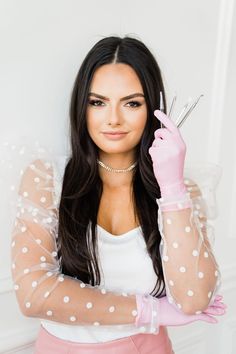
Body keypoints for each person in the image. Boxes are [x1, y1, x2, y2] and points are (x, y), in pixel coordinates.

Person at [5, 35, 226, 353]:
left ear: (154, 109)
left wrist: (172, 187)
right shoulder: (47, 180)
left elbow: (194, 298)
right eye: (98, 102)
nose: (113, 119)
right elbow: (33, 294)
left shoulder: (180, 190)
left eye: (132, 103)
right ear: (82, 106)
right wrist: (151, 311)